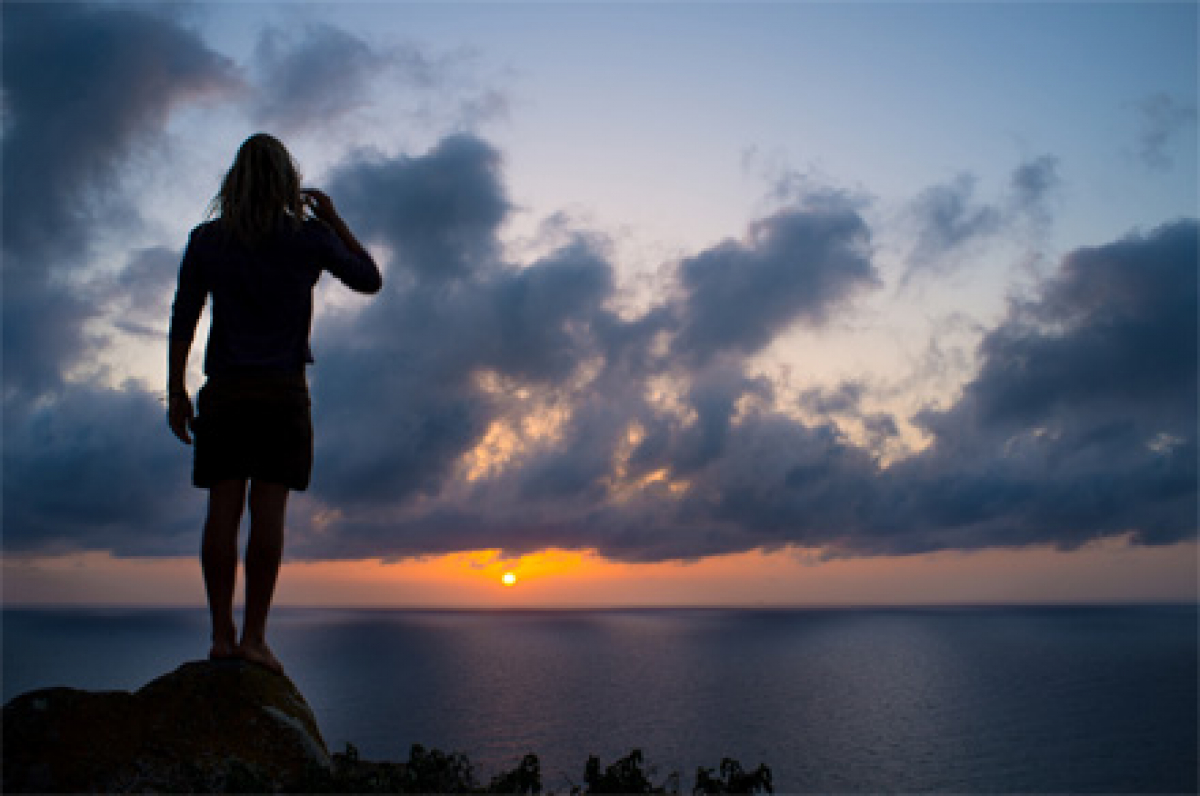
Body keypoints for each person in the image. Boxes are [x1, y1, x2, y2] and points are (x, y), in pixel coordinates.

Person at [167, 133, 381, 674]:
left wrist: (176, 390)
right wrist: (334, 220)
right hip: (282, 394)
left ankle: (222, 635)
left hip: (226, 393)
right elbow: (368, 278)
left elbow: (183, 318)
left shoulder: (207, 240)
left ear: (233, 180)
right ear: (287, 180)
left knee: (222, 511)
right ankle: (255, 638)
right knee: (268, 516)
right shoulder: (307, 238)